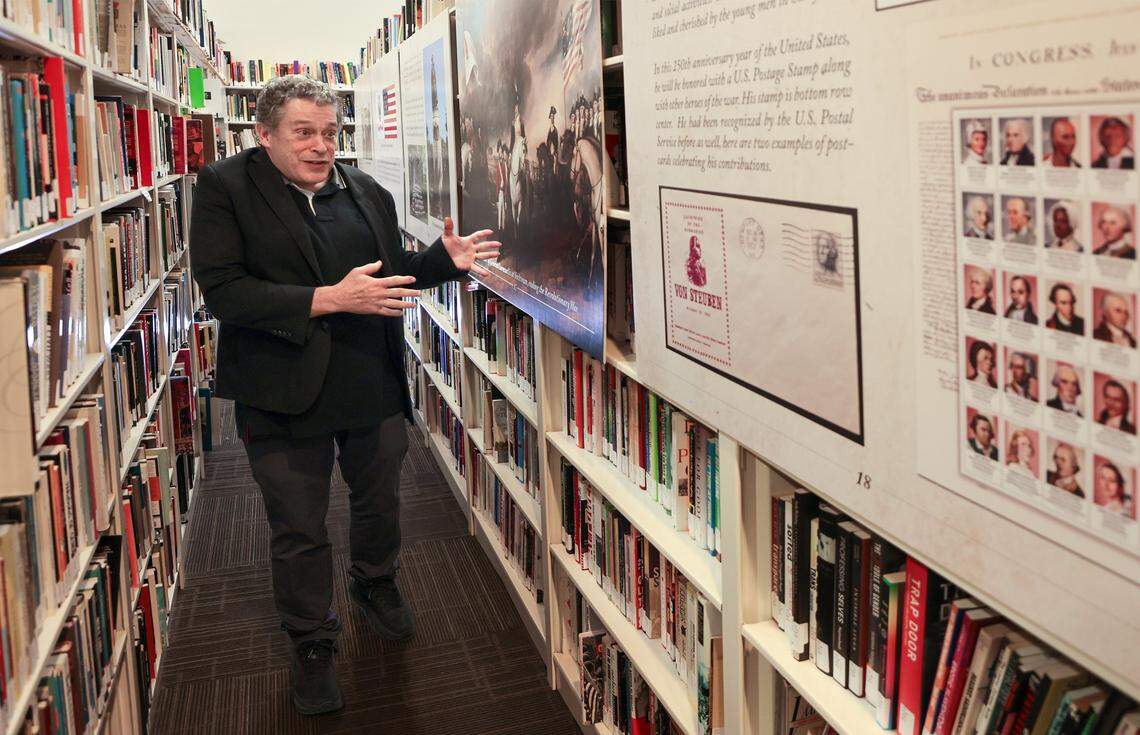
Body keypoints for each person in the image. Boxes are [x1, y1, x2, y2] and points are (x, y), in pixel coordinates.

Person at [189, 76, 500, 716]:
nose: (320, 146)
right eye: (303, 132)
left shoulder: (365, 191)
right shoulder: (224, 190)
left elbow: (388, 274)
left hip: (369, 378)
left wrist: (443, 261)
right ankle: (310, 640)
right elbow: (225, 292)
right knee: (299, 524)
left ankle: (374, 581)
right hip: (281, 389)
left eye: (329, 133)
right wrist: (331, 298)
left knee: (380, 498)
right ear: (265, 134)